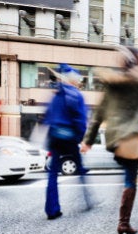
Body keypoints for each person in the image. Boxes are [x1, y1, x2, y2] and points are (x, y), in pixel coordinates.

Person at [81, 46, 138, 234]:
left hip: (115, 137)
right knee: (130, 179)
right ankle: (123, 223)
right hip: (132, 135)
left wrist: (88, 140)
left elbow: (99, 112)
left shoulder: (111, 82)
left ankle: (123, 220)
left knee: (126, 174)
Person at [44, 64, 89, 220]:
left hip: (55, 136)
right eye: (78, 80)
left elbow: (47, 116)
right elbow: (81, 120)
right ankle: (88, 199)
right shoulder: (76, 95)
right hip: (69, 137)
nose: (79, 83)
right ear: (74, 80)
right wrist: (79, 138)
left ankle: (52, 209)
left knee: (53, 174)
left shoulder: (56, 94)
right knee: (80, 168)